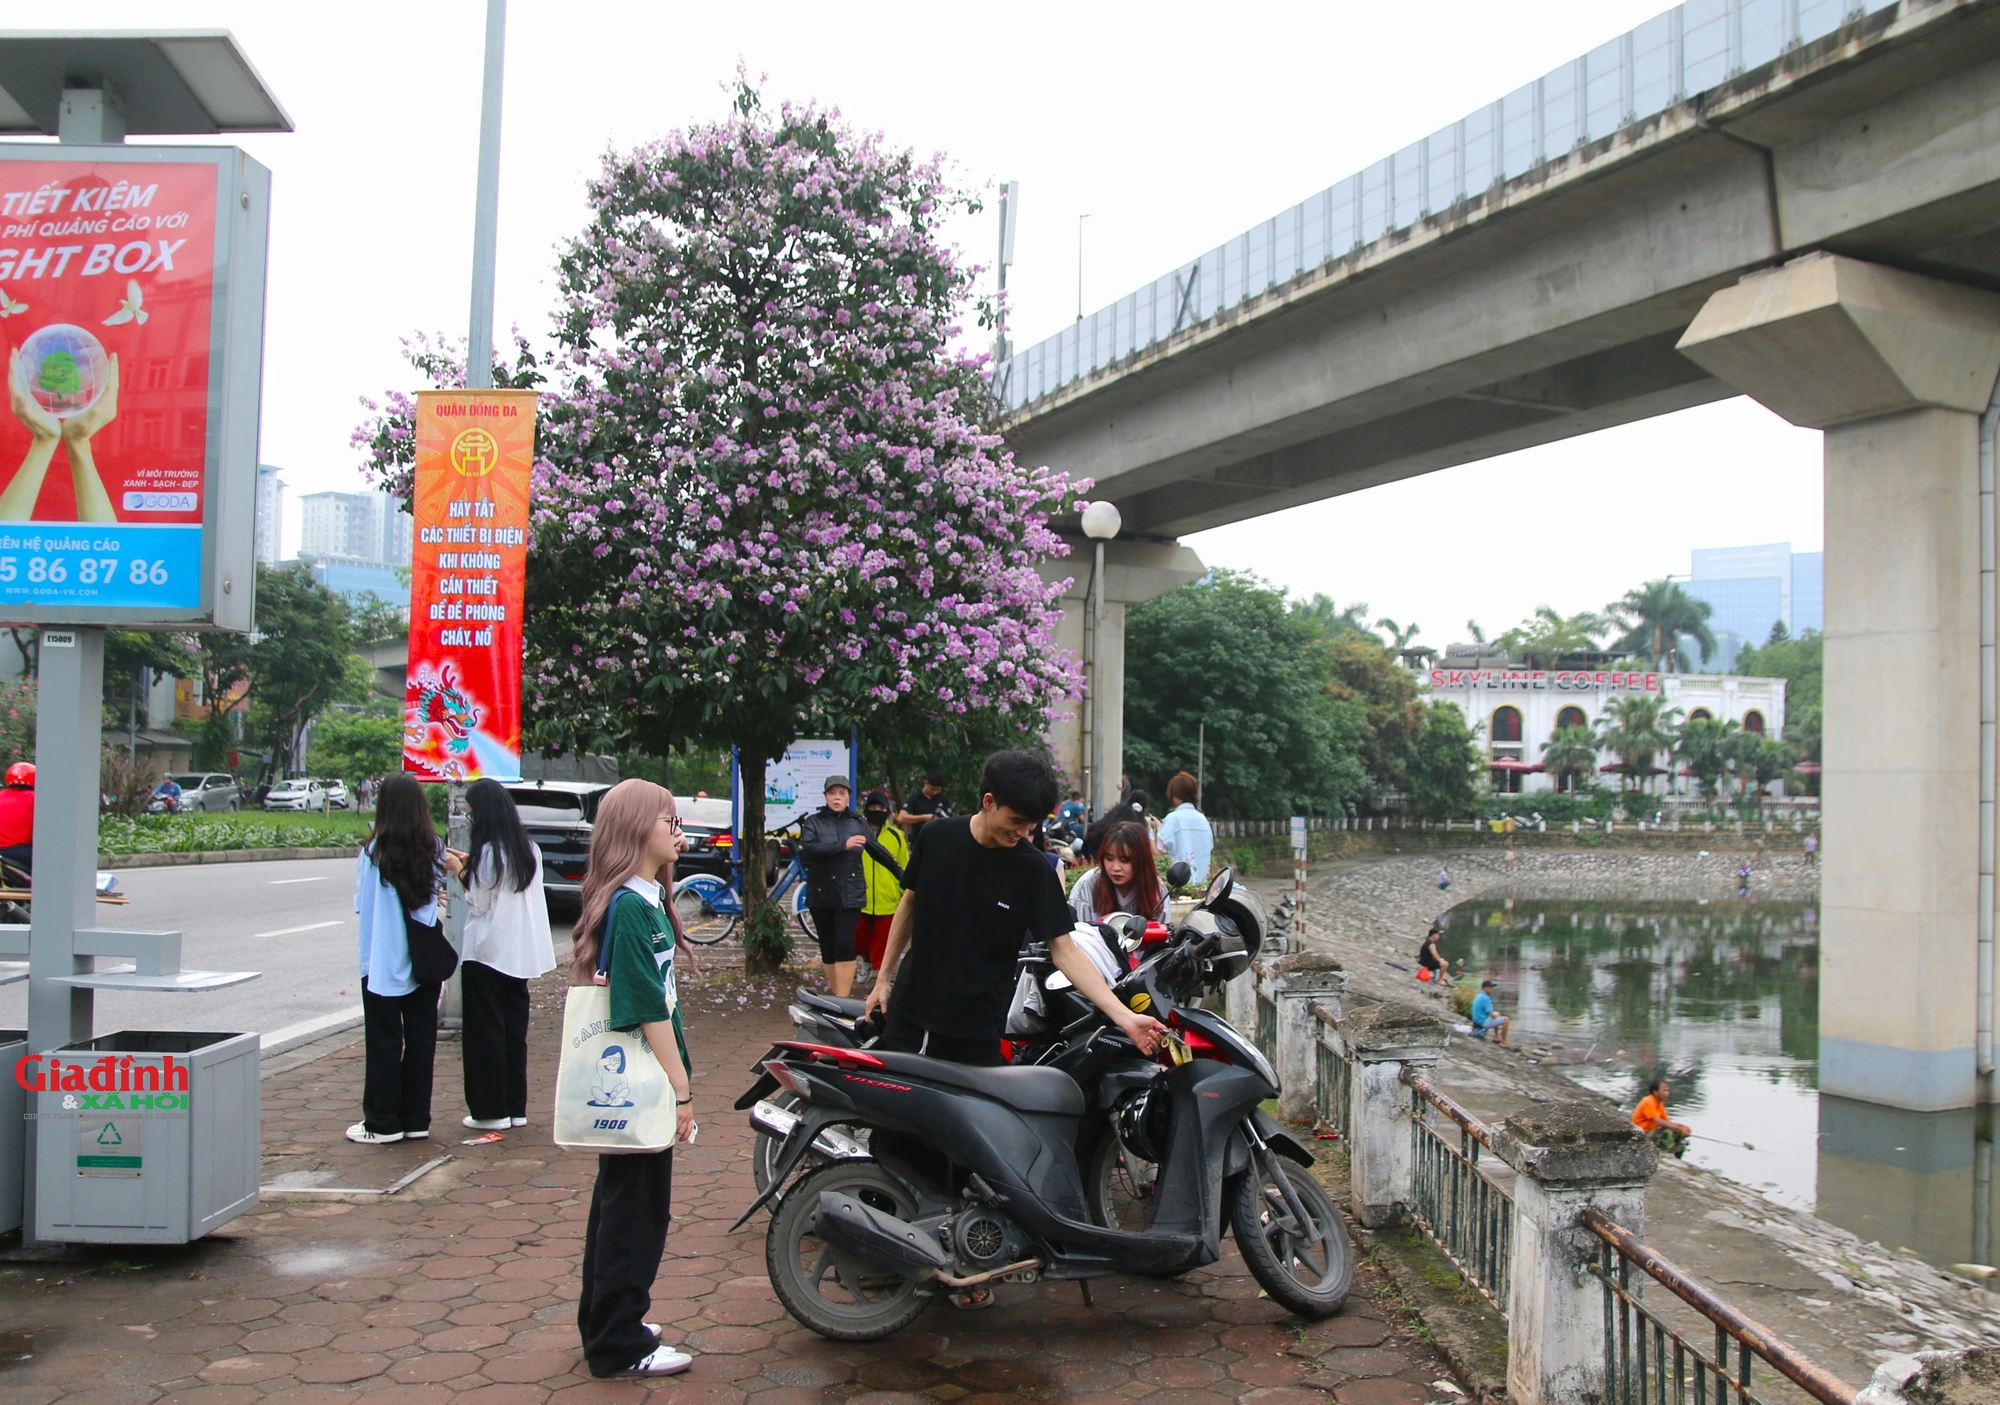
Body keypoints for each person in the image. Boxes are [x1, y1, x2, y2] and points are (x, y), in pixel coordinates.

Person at [862, 749, 1168, 1067]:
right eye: (1017, 821)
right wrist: (882, 980)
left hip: (975, 1031)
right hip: (909, 1012)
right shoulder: (937, 837)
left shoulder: (1034, 871)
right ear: (989, 801)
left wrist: (1125, 1017)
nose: (1023, 833)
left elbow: (1066, 951)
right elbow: (910, 902)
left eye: (1032, 825)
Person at [567, 780, 697, 1379]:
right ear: (634, 829)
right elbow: (646, 1005)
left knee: (625, 1205)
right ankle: (619, 1342)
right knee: (634, 1214)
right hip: (644, 1080)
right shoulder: (630, 905)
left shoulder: (642, 897)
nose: (678, 831)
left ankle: (609, 1324)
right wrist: (682, 1089)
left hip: (643, 1077)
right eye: (666, 820)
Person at [446, 779, 558, 1131]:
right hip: (518, 954)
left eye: (471, 811)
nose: (469, 816)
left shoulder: (488, 852)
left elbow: (479, 901)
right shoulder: (529, 849)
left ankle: (489, 1111)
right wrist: (471, 867)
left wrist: (458, 869)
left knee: (485, 1034)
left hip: (486, 952)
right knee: (513, 1032)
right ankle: (515, 1107)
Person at [348, 774, 446, 1146]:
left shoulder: (373, 852)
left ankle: (383, 1122)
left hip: (380, 961)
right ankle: (417, 1118)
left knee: (384, 1041)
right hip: (423, 962)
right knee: (422, 1041)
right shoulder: (433, 847)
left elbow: (361, 905)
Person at [799, 777, 904, 997]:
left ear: (849, 796)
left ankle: (842, 998)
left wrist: (903, 875)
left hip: (851, 892)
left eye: (842, 793)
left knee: (845, 945)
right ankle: (837, 996)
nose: (837, 798)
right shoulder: (813, 822)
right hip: (822, 892)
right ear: (826, 796)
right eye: (832, 793)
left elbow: (877, 850)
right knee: (828, 947)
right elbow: (809, 850)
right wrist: (842, 846)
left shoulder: (857, 822)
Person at [1068, 820, 1167, 923]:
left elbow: (1165, 932)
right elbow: (1077, 934)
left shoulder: (1157, 889)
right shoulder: (1086, 887)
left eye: (1125, 860)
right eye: (1109, 858)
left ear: (1142, 860)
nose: (1116, 868)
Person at [857, 789, 907, 979]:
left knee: (882, 942)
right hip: (861, 898)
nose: (877, 810)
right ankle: (866, 961)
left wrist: (905, 894)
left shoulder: (896, 836)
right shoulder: (857, 833)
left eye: (881, 807)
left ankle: (879, 975)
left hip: (888, 899)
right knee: (859, 939)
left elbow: (904, 866)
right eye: (873, 807)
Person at [1155, 772, 1213, 880]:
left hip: (1178, 887)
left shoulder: (1173, 818)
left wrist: (1158, 829)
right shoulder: (1203, 820)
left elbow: (1159, 853)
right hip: (1203, 888)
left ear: (1174, 795)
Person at [1631, 1077, 1690, 1158]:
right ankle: (1667, 1153)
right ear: (1655, 1092)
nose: (1667, 1093)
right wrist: (1679, 1128)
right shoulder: (1649, 1101)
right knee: (1668, 1132)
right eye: (1664, 1091)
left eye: (1668, 1090)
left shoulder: (1659, 1104)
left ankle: (1677, 1153)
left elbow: (1666, 1122)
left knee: (1676, 1132)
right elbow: (1659, 1121)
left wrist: (1682, 1127)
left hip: (1651, 1132)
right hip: (1642, 1134)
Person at [0, 762, 33, 875]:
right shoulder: (34, 798)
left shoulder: (1, 795)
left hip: (3, 853)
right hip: (20, 851)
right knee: (56, 863)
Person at [1468, 978, 1509, 1046]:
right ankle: (1503, 1042)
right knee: (1506, 1020)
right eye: (1490, 987)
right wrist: (1497, 1018)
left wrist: (1496, 1016)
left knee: (1497, 1013)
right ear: (1485, 988)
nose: (1492, 989)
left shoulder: (1479, 996)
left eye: (1492, 987)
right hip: (1482, 1022)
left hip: (1477, 1021)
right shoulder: (1486, 998)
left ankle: (1496, 1037)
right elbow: (1491, 1014)